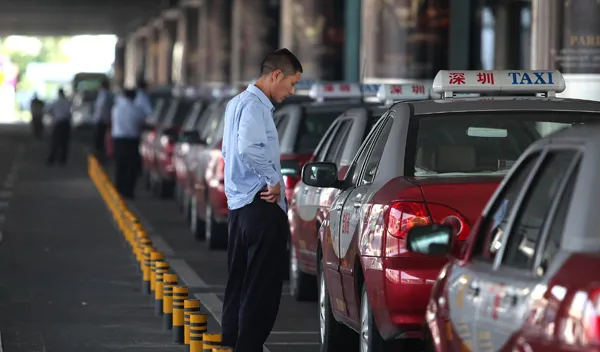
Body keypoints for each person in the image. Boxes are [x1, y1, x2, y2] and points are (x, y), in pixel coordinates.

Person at [221, 48, 303, 351]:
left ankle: (231, 343)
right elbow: (247, 147)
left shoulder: (235, 104)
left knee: (239, 284)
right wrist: (272, 180)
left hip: (239, 209)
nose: (291, 91)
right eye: (292, 83)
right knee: (262, 290)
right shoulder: (256, 107)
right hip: (261, 206)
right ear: (276, 75)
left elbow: (228, 152)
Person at [111, 88, 146, 199]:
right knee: (131, 167)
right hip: (132, 141)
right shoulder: (137, 109)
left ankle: (118, 190)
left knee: (119, 165)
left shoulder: (116, 109)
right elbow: (142, 122)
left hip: (119, 140)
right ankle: (129, 191)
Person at [45, 88, 72, 166]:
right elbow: (70, 112)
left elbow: (47, 110)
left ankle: (52, 159)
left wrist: (53, 115)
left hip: (58, 123)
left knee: (55, 142)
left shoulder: (56, 102)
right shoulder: (67, 102)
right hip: (66, 124)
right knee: (64, 143)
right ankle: (62, 160)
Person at [92, 79, 114, 163]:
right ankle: (100, 155)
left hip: (101, 120)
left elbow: (102, 107)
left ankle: (100, 156)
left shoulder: (104, 94)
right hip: (102, 120)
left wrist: (101, 118)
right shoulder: (105, 94)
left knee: (100, 139)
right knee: (100, 139)